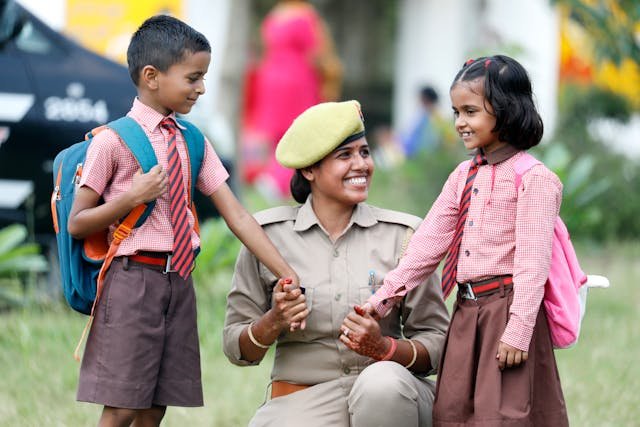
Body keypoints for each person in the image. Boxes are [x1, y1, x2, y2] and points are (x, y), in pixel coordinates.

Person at [67, 15, 299, 427]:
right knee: (122, 406)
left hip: (178, 284)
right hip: (131, 281)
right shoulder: (112, 141)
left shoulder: (192, 140)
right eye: (193, 77)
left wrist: (286, 273)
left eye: (204, 76)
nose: (202, 87)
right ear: (152, 76)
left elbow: (239, 217)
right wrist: (132, 196)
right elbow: (78, 223)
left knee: (156, 405)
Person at [364, 55, 570, 426]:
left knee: (503, 414)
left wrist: (520, 331)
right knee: (454, 412)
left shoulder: (535, 180)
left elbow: (532, 264)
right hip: (466, 313)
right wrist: (383, 299)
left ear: (505, 111)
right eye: (456, 111)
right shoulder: (463, 174)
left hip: (506, 314)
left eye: (470, 111)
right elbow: (428, 243)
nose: (459, 122)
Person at [223, 100, 449, 427]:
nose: (361, 165)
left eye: (365, 152)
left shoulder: (404, 236)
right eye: (345, 156)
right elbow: (236, 347)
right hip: (304, 402)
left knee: (381, 385)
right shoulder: (267, 238)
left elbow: (438, 341)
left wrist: (385, 348)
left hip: (392, 399)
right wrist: (273, 320)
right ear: (309, 169)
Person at [240, 0, 342, 199]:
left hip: (269, 78)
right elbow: (317, 51)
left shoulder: (274, 16)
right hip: (297, 80)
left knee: (277, 133)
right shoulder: (305, 16)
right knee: (300, 129)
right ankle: (278, 178)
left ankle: (273, 175)